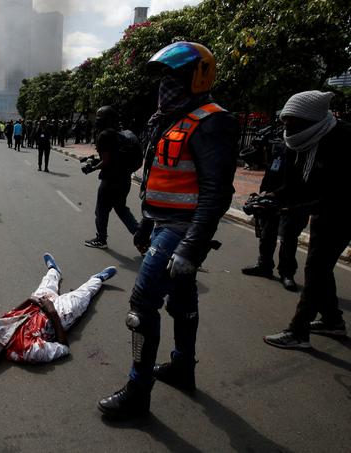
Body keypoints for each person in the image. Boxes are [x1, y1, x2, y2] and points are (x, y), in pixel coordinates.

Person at [98, 42, 239, 418]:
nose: (166, 86)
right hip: (163, 224)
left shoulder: (213, 121)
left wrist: (191, 248)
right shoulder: (171, 120)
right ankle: (181, 366)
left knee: (143, 306)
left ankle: (137, 391)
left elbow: (217, 191)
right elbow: (162, 180)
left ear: (197, 77)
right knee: (181, 300)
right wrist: (145, 223)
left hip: (183, 229)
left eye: (174, 77)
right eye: (163, 78)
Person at [263, 91, 351, 349]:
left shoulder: (343, 139)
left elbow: (337, 193)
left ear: (311, 120)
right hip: (323, 210)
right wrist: (271, 198)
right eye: (284, 120)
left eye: (292, 121)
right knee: (320, 266)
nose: (286, 126)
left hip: (344, 210)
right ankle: (333, 320)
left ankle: (298, 331)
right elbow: (296, 185)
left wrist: (290, 208)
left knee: (316, 267)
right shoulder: (300, 142)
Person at [0, 253, 117, 364]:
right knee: (83, 295)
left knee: (47, 283)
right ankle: (98, 279)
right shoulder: (27, 351)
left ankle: (54, 269)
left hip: (36, 306)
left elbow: (9, 314)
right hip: (59, 315)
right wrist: (52, 312)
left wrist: (29, 300)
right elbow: (63, 348)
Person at [241, 121, 308, 291]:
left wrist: (275, 194)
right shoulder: (279, 146)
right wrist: (262, 193)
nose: (286, 128)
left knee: (288, 238)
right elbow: (271, 171)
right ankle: (264, 266)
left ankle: (287, 273)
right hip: (271, 198)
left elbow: (298, 181)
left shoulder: (305, 149)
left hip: (293, 201)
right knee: (266, 234)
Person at [84, 106, 143, 249]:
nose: (97, 121)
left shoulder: (104, 135)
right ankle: (142, 236)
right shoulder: (121, 134)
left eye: (99, 118)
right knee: (121, 209)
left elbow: (106, 161)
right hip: (125, 180)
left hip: (110, 181)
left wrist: (92, 167)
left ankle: (101, 239)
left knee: (101, 211)